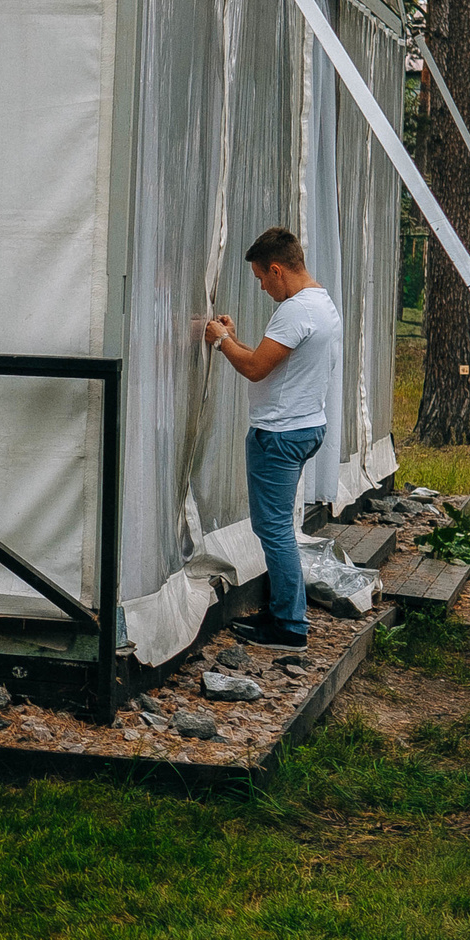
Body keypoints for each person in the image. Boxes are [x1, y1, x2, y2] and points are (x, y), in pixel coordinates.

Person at [201, 226, 342, 652]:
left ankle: (288, 625)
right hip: (305, 426)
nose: (262, 287)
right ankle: (285, 611)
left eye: (262, 278)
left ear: (278, 269)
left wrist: (222, 341)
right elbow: (272, 363)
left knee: (275, 529)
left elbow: (256, 369)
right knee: (279, 526)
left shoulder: (296, 310)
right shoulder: (322, 303)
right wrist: (236, 338)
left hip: (280, 434)